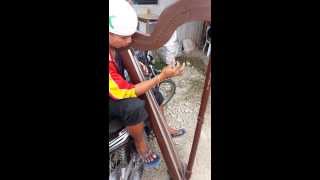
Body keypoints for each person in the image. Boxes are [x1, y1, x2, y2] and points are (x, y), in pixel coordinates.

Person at [109, 0, 185, 169]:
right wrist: (161, 77)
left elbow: (126, 60)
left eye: (130, 35)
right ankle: (140, 145)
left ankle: (164, 128)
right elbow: (124, 91)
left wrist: (137, 63)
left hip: (116, 88)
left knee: (154, 94)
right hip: (112, 95)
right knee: (133, 107)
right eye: (124, 37)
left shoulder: (117, 44)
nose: (130, 40)